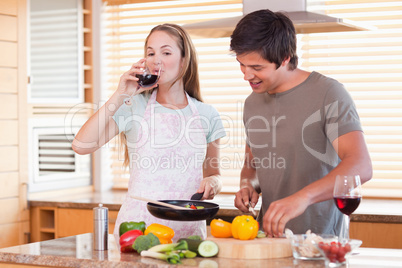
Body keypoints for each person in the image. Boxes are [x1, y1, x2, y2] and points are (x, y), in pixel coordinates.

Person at [72, 23, 225, 244]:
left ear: (184, 60)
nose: (156, 60)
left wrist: (213, 183)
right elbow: (81, 145)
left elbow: (214, 173)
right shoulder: (133, 105)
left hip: (187, 233)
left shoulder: (207, 114)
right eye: (150, 53)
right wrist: (119, 94)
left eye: (166, 52)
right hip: (138, 230)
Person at [230, 10, 372, 238]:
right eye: (241, 65)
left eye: (257, 68)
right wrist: (248, 185)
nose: (246, 75)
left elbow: (361, 164)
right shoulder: (251, 103)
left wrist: (303, 197)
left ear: (285, 58)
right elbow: (253, 163)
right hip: (268, 239)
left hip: (320, 241)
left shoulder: (328, 93)